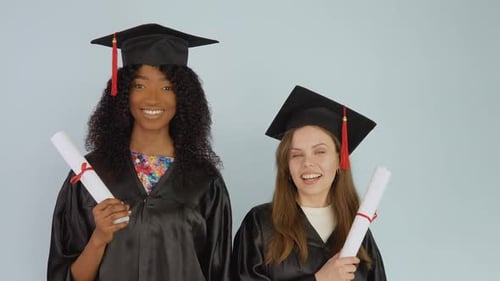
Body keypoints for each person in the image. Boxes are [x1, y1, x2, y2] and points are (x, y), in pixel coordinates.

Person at [48, 23, 232, 281]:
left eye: (167, 87)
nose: (153, 99)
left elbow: (219, 273)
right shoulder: (91, 175)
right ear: (122, 94)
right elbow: (65, 276)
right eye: (140, 86)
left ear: (184, 97)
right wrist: (99, 238)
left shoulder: (204, 181)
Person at [231, 85, 386, 281]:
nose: (307, 163)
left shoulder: (357, 231)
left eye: (320, 152)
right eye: (296, 155)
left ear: (340, 161)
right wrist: (320, 279)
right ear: (287, 166)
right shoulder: (260, 225)